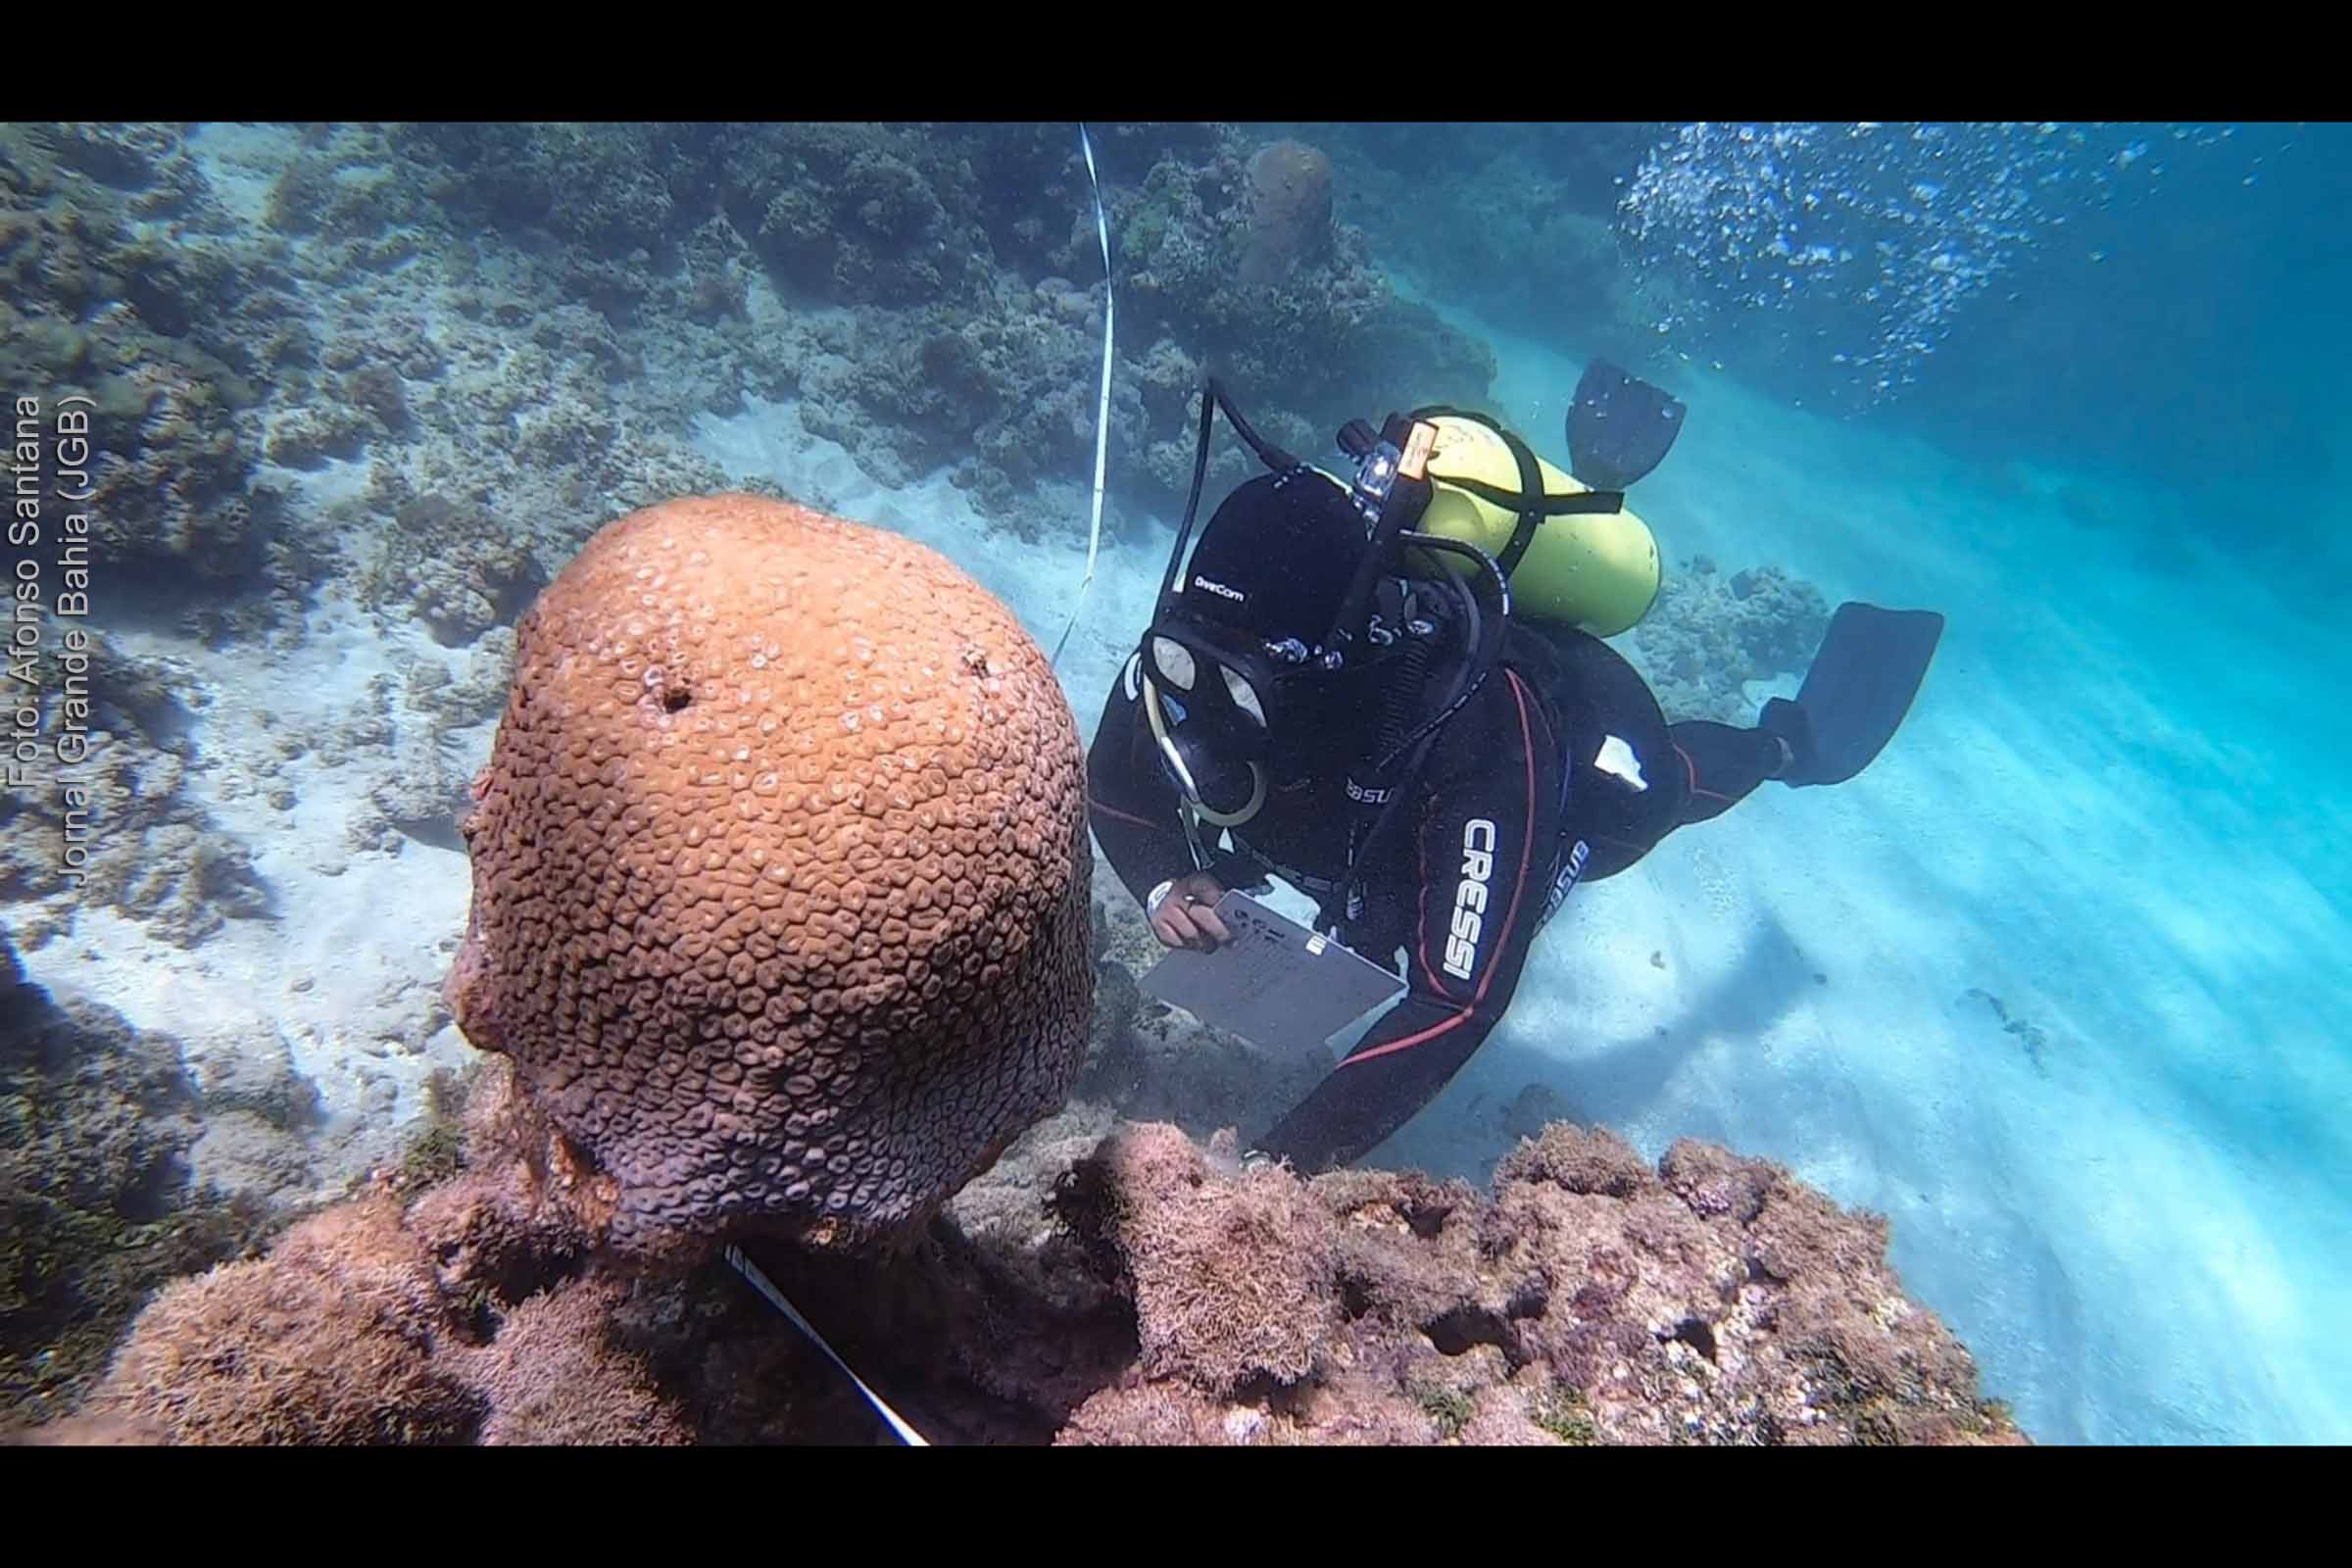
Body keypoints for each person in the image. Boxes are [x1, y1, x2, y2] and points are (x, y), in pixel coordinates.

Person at [1086, 368, 1943, 1176]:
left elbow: (1457, 1002)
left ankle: (1788, 745)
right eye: (1185, 657)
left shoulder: (1478, 732)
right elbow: (1113, 783)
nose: (1201, 701)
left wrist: (1273, 1168)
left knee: (1658, 791)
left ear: (1331, 664)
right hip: (1357, 803)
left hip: (1587, 762)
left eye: (1240, 683)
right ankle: (1599, 464)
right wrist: (1163, 881)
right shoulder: (1194, 654)